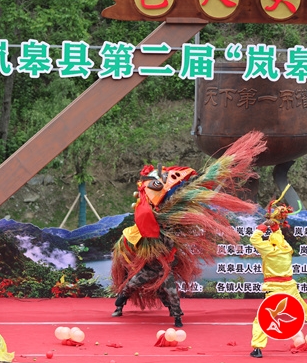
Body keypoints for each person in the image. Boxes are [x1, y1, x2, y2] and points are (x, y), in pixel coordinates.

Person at [111, 131, 267, 327]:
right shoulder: (149, 217)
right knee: (132, 285)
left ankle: (176, 317)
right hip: (151, 268)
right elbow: (149, 221)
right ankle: (119, 304)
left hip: (164, 268)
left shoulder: (169, 218)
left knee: (170, 292)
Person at [249, 200, 307, 359]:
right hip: (290, 287)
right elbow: (278, 237)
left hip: (274, 289)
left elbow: (254, 239)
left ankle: (257, 348)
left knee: (263, 318)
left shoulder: (268, 250)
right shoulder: (286, 249)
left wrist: (264, 225)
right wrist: (274, 226)